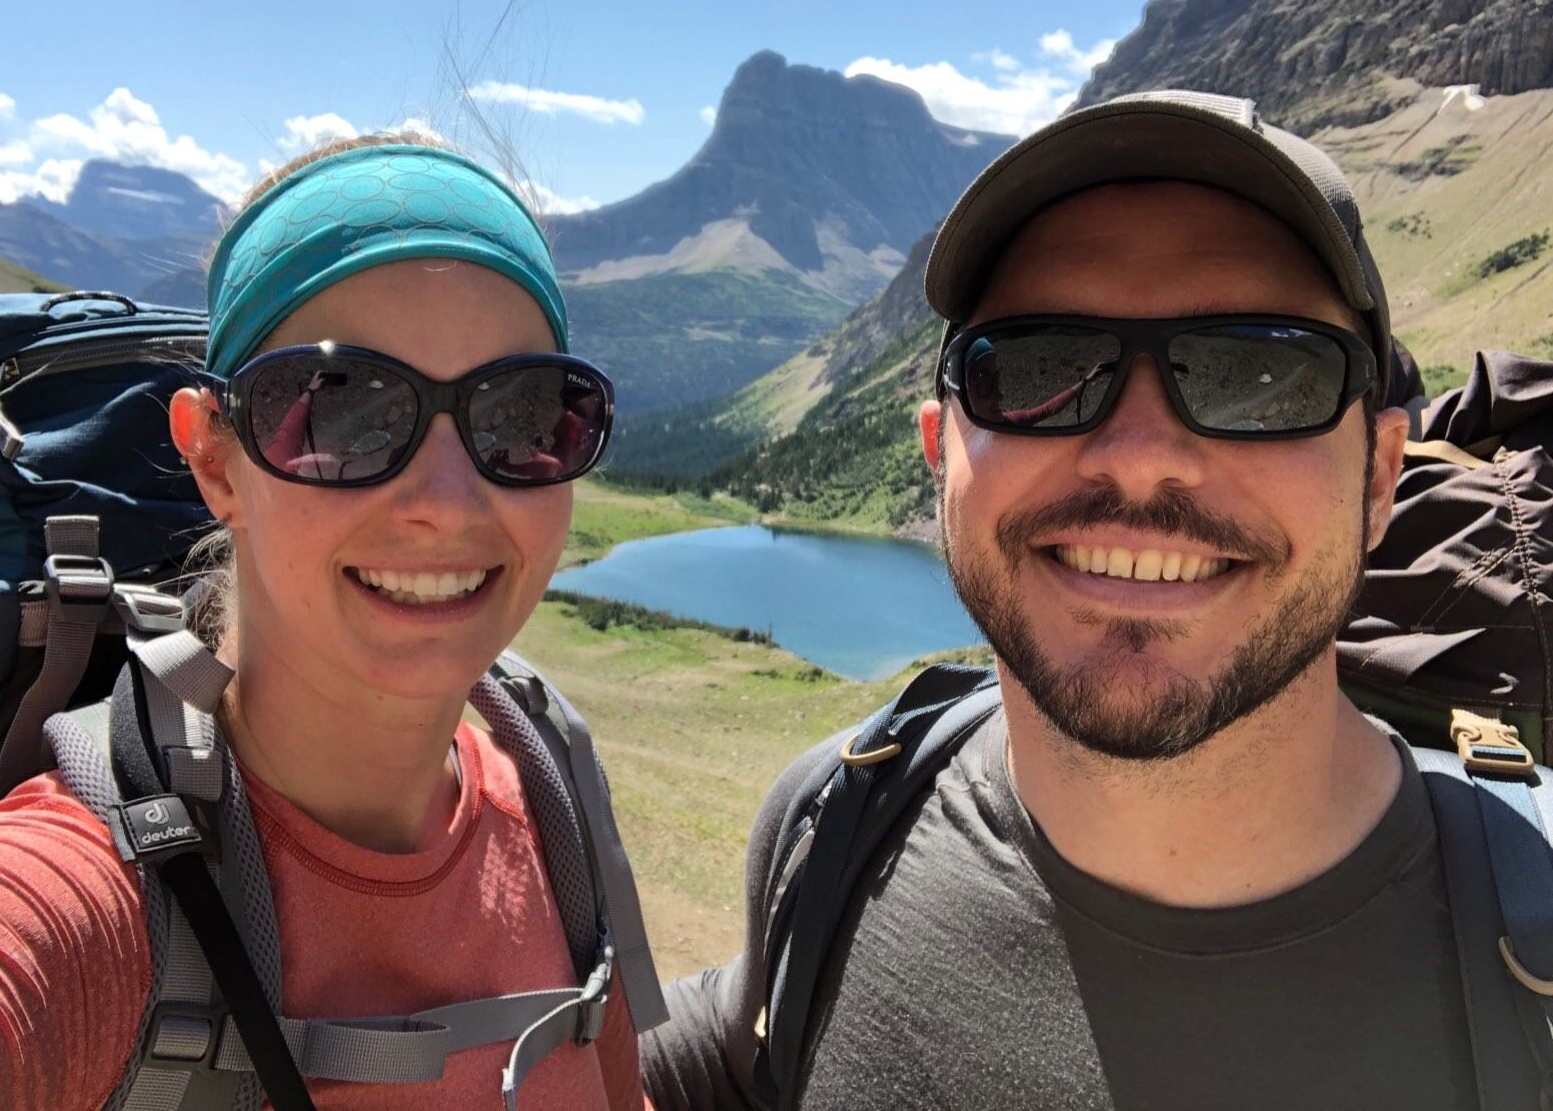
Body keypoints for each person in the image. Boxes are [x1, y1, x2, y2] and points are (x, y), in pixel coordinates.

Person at [640, 91, 1536, 1109]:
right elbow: (728, 1045)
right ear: (941, 455)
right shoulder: (829, 827)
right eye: (1039, 369)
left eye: (1258, 373)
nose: (1140, 455)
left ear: (1378, 477)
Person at [0, 134, 652, 1110]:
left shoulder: (558, 800)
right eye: (342, 407)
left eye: (527, 414)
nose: (449, 502)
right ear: (213, 460)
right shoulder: (74, 905)